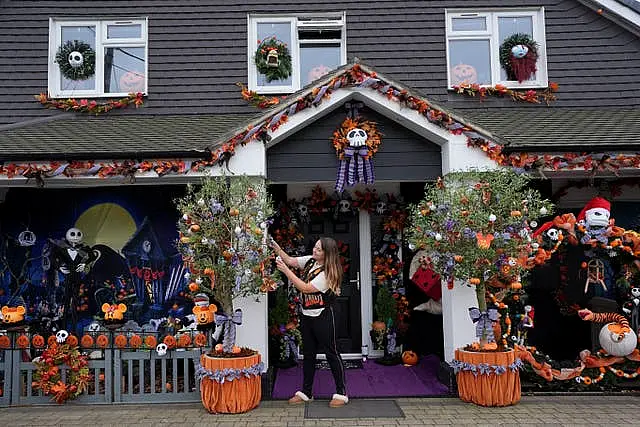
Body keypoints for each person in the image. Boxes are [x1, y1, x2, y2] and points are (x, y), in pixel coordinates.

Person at [271, 237, 349, 408]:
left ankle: (341, 393)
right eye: (315, 247)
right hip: (307, 315)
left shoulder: (329, 272)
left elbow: (305, 288)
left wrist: (285, 271)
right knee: (308, 354)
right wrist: (276, 247)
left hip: (325, 315)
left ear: (327, 254)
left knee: (332, 353)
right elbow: (291, 260)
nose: (315, 251)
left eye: (319, 250)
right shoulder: (310, 261)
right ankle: (306, 392)